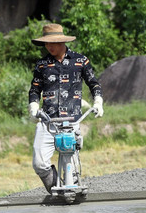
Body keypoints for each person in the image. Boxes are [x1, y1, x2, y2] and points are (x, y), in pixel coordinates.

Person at [28, 24, 103, 192]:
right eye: (47, 43)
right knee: (39, 163)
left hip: (71, 121)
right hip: (48, 120)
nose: (49, 46)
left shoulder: (80, 61)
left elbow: (94, 83)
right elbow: (34, 89)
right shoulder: (42, 65)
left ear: (62, 41)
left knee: (73, 166)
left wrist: (98, 101)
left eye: (53, 43)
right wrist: (33, 106)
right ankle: (56, 189)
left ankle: (72, 188)